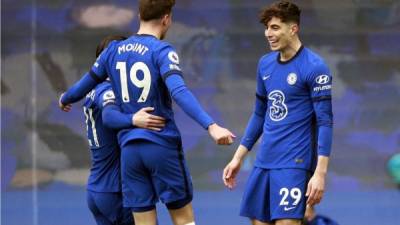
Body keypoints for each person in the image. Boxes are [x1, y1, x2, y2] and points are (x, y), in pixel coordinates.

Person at [58, 1, 235, 225]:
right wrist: (211, 126)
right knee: (183, 220)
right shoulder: (162, 50)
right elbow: (179, 91)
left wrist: (65, 98)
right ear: (167, 18)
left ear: (139, 14)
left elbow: (83, 86)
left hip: (130, 152)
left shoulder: (112, 51)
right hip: (160, 144)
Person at [223, 1, 333, 225]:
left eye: (274, 28)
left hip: (294, 163)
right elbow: (259, 115)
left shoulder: (315, 67)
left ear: (293, 29)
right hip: (264, 162)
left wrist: (320, 173)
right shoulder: (264, 64)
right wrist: (238, 158)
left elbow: (325, 122)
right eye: (267, 28)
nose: (268, 34)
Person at [61, 35, 168, 225]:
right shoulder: (107, 90)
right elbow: (109, 117)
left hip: (98, 188)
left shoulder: (92, 90)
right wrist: (134, 119)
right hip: (115, 192)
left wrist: (65, 98)